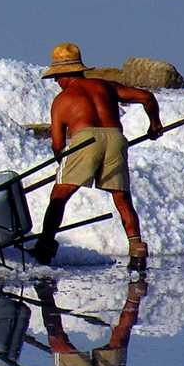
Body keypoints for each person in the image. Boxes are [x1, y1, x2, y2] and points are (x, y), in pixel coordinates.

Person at [30, 42, 163, 272]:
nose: (56, 83)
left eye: (56, 78)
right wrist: (154, 125)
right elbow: (147, 97)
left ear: (63, 75)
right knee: (122, 199)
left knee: (59, 195)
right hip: (115, 137)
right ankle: (137, 248)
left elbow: (58, 144)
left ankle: (44, 247)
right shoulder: (106, 86)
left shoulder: (62, 101)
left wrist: (60, 160)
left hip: (86, 140)